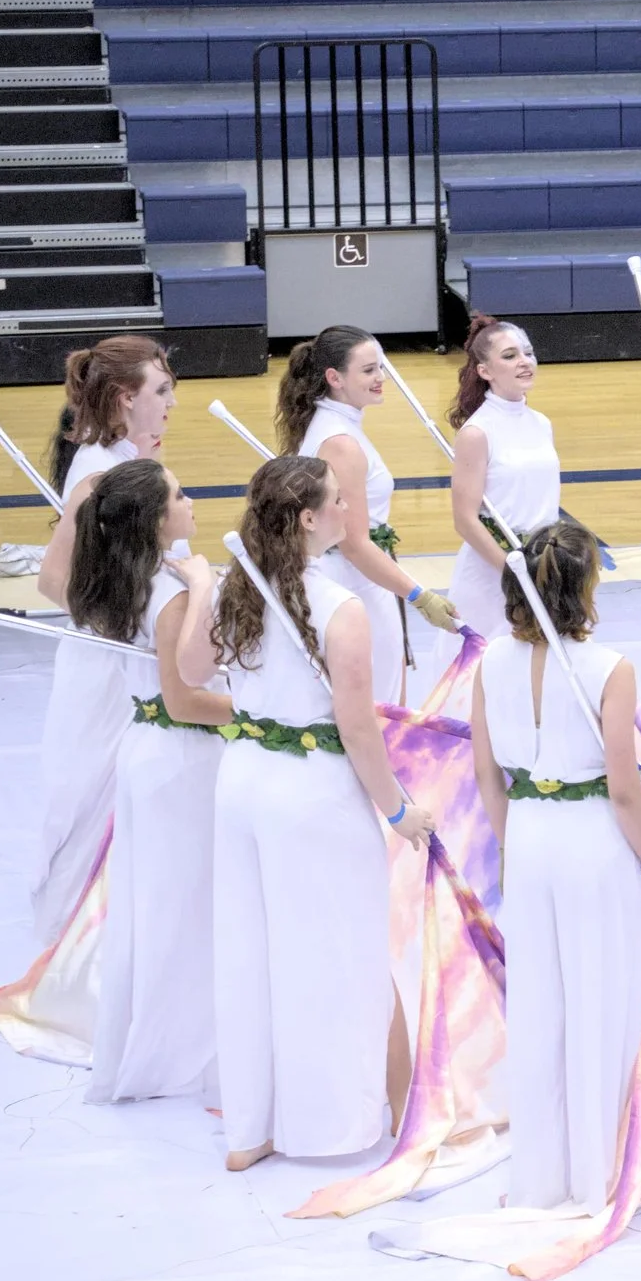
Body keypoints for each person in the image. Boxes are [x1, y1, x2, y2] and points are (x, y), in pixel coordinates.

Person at [187, 454, 435, 1171]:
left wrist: (206, 586)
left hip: (242, 783)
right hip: (311, 796)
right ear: (306, 517)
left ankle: (253, 1128)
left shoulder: (239, 587)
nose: (347, 511)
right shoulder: (341, 608)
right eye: (335, 501)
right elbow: (358, 728)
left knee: (251, 953)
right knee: (340, 956)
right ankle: (330, 1124)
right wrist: (399, 811)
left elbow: (193, 671)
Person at [471, 520, 641, 1212]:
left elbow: (487, 775)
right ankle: (602, 1167)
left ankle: (544, 1170)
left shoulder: (489, 662)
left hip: (528, 836)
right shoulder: (609, 668)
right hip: (592, 842)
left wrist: (514, 845)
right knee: (600, 997)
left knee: (540, 1005)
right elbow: (624, 789)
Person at [69, 458, 229, 1105]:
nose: (192, 502)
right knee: (187, 907)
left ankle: (158, 1040)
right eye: (181, 496)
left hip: (148, 751)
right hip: (181, 758)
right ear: (158, 520)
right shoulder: (172, 593)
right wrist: (274, 715)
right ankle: (180, 1052)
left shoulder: (130, 578)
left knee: (158, 903)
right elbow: (188, 694)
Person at [32, 335, 178, 941]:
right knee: (97, 798)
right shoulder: (99, 476)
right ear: (126, 398)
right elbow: (53, 579)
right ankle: (77, 948)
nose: (172, 403)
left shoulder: (128, 462)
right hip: (110, 669)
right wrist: (129, 625)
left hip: (142, 659)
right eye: (162, 391)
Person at [277, 325, 461, 707]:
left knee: (383, 699)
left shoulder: (336, 428)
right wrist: (419, 595)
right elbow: (355, 544)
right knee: (379, 706)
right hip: (354, 583)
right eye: (368, 370)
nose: (381, 378)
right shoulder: (341, 444)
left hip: (358, 580)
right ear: (334, 378)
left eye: (381, 368)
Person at [446, 314, 562, 640]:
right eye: (510, 356)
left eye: (528, 353)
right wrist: (513, 574)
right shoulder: (477, 433)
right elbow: (465, 520)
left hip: (542, 568)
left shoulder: (541, 423)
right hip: (493, 574)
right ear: (484, 371)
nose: (525, 362)